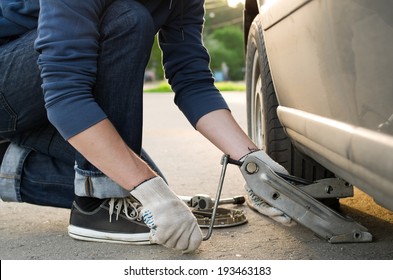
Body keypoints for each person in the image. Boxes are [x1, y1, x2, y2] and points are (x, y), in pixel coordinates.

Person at [0, 0, 292, 253]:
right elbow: (65, 94)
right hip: (11, 85)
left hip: (35, 99)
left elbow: (192, 81)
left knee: (138, 182)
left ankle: (5, 161)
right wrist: (150, 192)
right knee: (126, 19)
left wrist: (253, 161)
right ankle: (97, 207)